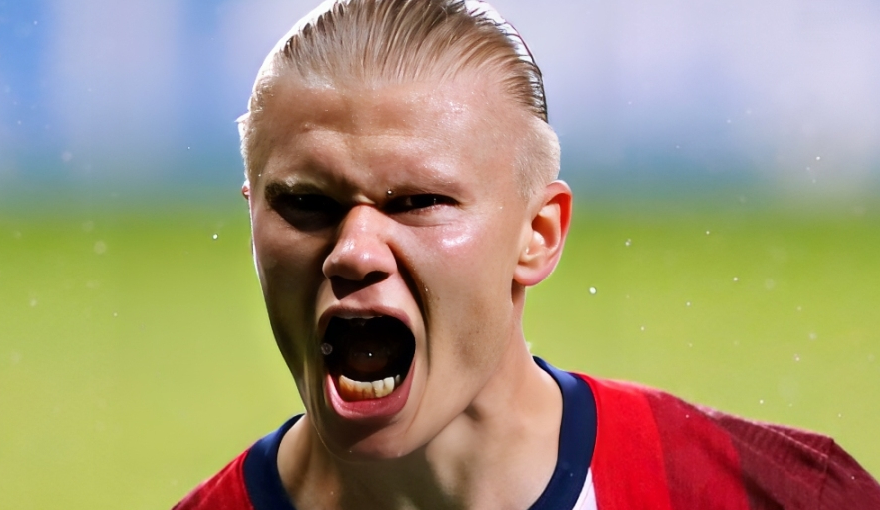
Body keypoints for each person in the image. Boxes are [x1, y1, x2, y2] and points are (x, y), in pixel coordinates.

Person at [173, 1, 880, 508]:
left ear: (537, 235)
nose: (353, 252)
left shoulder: (773, 495)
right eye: (304, 203)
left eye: (418, 202)